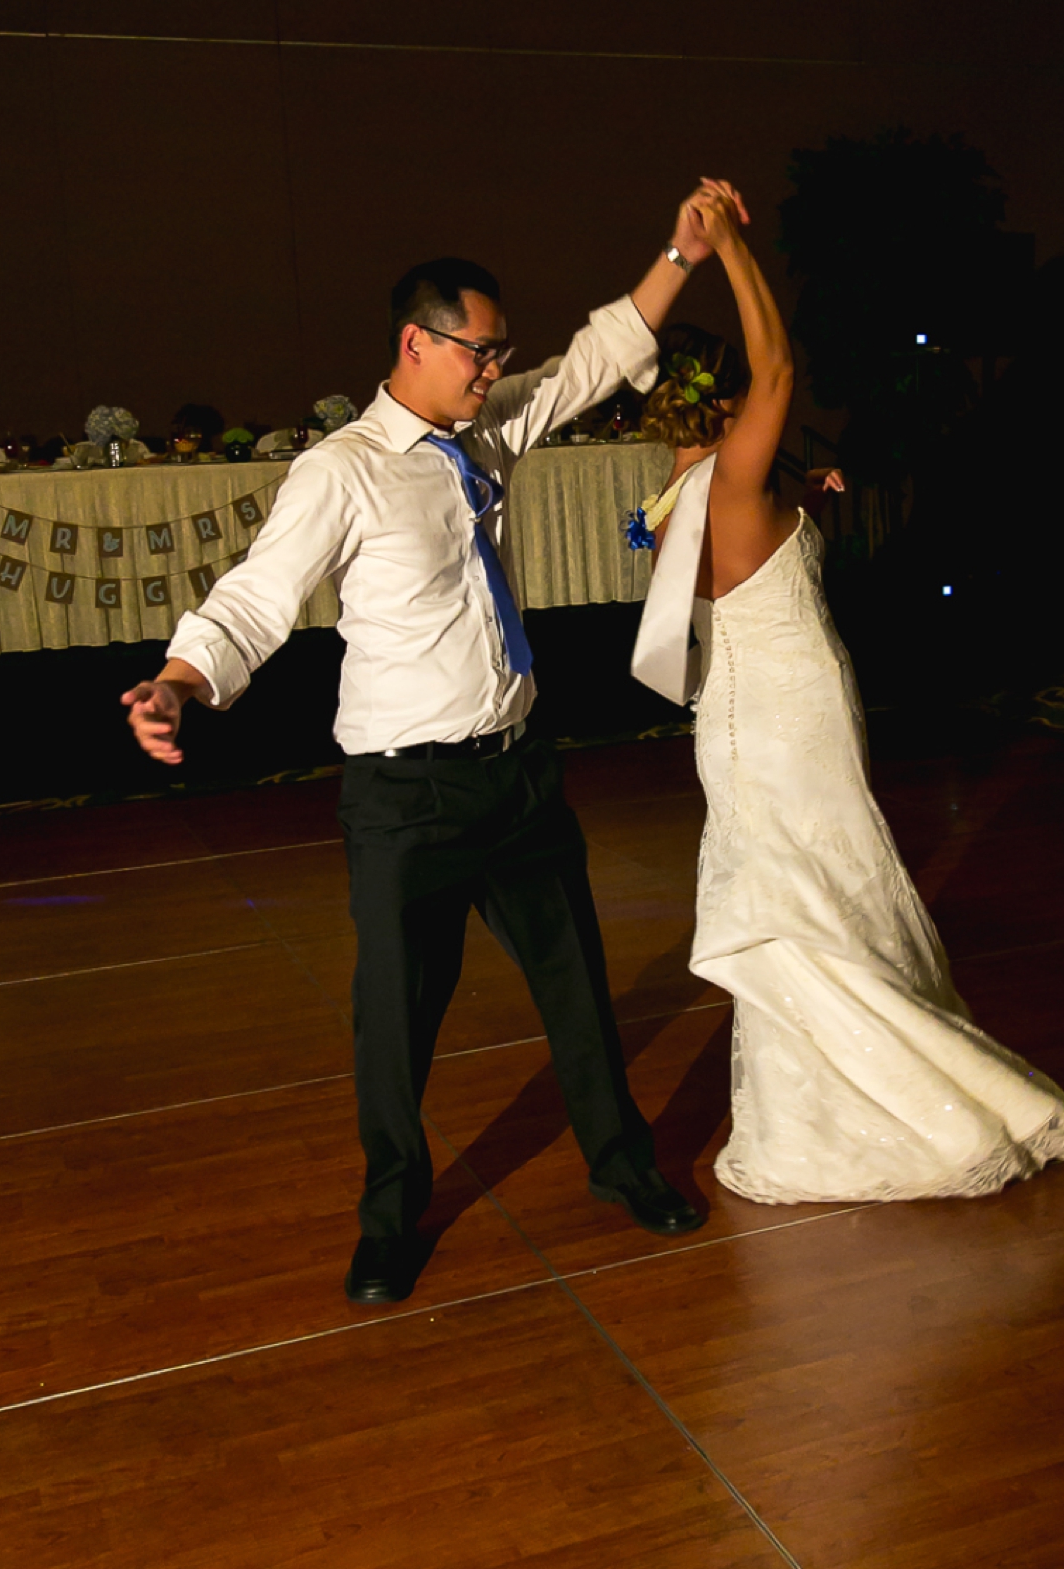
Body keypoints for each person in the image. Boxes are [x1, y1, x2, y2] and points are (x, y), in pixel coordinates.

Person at [122, 188, 729, 1301]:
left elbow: (597, 358)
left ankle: (625, 1168)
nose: (496, 367)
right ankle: (392, 1218)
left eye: (500, 351)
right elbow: (259, 595)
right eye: (479, 349)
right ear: (416, 340)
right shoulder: (343, 469)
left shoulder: (486, 435)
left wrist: (679, 256)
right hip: (407, 801)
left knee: (580, 994)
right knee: (395, 1022)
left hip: (519, 776)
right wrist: (178, 679)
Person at [631, 184, 1064, 1206]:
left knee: (793, 902)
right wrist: (734, 250)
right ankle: (923, 1103)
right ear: (718, 399)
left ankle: (806, 1118)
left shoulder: (679, 499)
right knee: (831, 892)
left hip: (733, 723)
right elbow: (783, 364)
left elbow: (748, 503)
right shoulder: (743, 476)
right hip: (794, 711)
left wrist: (808, 487)